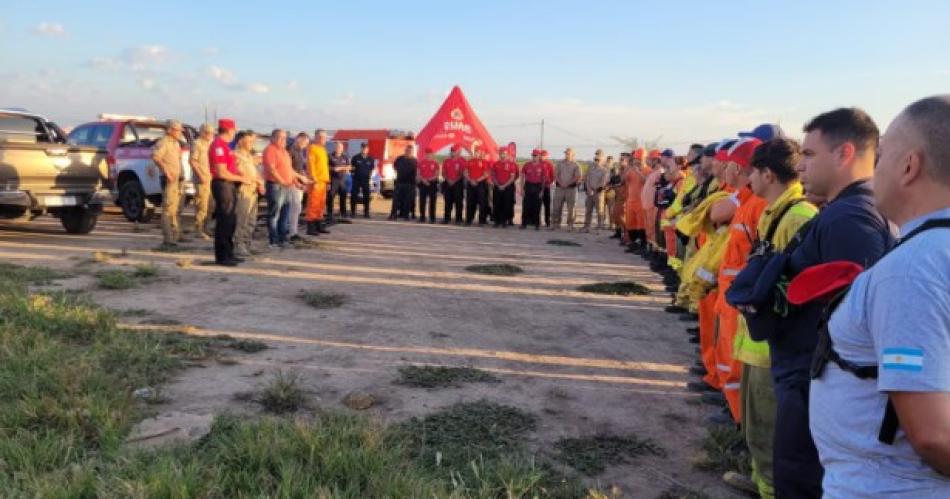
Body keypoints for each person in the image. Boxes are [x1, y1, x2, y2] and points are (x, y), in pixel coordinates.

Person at [747, 108, 892, 498]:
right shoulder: (847, 210)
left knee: (801, 479)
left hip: (816, 379)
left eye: (809, 155)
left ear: (844, 153)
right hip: (811, 375)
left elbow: (855, 317)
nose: (800, 165)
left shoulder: (852, 219)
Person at [810, 95, 950, 497]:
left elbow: (932, 435)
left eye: (883, 154)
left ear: (909, 165)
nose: (873, 171)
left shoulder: (914, 269)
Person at [209, 118, 242, 266]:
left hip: (229, 185)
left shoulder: (225, 146)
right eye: (234, 130)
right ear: (229, 130)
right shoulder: (218, 146)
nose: (235, 133)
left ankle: (229, 252)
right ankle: (222, 256)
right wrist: (242, 178)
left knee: (231, 221)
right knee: (225, 220)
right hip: (223, 185)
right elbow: (221, 172)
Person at [152, 119, 185, 246]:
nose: (179, 133)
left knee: (175, 209)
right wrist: (166, 171)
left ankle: (175, 235)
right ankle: (168, 237)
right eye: (177, 130)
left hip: (177, 179)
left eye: (180, 131)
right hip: (169, 179)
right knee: (168, 209)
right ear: (169, 130)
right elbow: (156, 157)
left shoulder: (176, 143)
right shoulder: (164, 142)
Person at [262, 129, 294, 248]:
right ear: (273, 138)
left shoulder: (284, 152)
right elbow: (272, 169)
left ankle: (283, 238)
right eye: (280, 137)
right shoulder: (270, 150)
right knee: (274, 214)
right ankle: (273, 240)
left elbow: (289, 169)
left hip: (287, 186)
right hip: (276, 186)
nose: (283, 140)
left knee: (285, 214)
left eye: (284, 138)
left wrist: (296, 180)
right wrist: (282, 181)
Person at [233, 130, 263, 257]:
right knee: (242, 219)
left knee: (251, 219)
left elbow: (254, 172)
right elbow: (242, 173)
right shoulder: (236, 155)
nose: (252, 143)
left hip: (253, 189)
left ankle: (247, 243)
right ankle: (238, 245)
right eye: (249, 141)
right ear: (240, 141)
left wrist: (260, 182)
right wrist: (256, 180)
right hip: (244, 189)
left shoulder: (248, 156)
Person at [189, 123, 214, 240]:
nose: (210, 135)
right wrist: (200, 175)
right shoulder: (197, 144)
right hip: (202, 179)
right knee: (202, 205)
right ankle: (198, 229)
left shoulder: (211, 144)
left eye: (212, 133)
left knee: (211, 206)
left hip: (211, 178)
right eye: (208, 133)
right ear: (202, 132)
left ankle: (206, 227)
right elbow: (193, 161)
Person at [305, 129, 331, 235]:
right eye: (322, 137)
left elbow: (324, 167)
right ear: (316, 137)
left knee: (321, 204)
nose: (324, 139)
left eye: (325, 137)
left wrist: (328, 182)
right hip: (316, 181)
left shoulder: (323, 150)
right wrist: (313, 178)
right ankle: (310, 227)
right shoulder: (312, 148)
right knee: (313, 204)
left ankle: (319, 224)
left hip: (323, 180)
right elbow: (311, 165)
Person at [624, 148, 650, 251]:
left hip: (641, 202)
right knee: (631, 223)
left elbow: (646, 181)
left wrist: (638, 171)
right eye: (636, 159)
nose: (638, 161)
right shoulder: (631, 170)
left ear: (644, 159)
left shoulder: (648, 170)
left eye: (640, 159)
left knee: (641, 224)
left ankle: (642, 245)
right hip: (631, 201)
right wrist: (628, 168)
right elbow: (624, 180)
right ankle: (633, 243)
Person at [551, 147, 582, 230]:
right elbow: (556, 175)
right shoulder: (560, 164)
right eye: (566, 153)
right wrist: (561, 183)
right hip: (560, 188)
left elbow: (577, 176)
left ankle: (570, 224)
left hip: (571, 189)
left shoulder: (576, 165)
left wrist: (568, 183)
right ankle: (556, 223)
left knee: (571, 208)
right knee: (556, 206)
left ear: (573, 155)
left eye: (568, 154)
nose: (567, 155)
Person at [287, 132, 310, 240]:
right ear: (299, 139)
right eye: (305, 143)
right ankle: (291, 232)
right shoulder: (290, 150)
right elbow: (288, 168)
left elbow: (300, 168)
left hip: (299, 183)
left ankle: (293, 231)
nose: (305, 145)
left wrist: (304, 180)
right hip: (291, 182)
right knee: (294, 208)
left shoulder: (300, 152)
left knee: (297, 208)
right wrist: (299, 179)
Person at [490, 148, 518, 227]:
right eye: (501, 153)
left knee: (507, 204)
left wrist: (504, 185)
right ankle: (496, 221)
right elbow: (493, 175)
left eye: (504, 154)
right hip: (497, 186)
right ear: (499, 154)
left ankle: (504, 221)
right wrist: (498, 184)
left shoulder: (511, 164)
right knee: (496, 203)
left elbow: (512, 177)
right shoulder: (496, 164)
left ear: (507, 155)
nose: (503, 155)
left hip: (507, 187)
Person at [582, 151, 610, 232]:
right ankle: (587, 226)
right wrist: (589, 189)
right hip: (590, 192)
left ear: (603, 159)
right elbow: (587, 179)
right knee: (588, 210)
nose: (596, 161)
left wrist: (595, 189)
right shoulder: (591, 168)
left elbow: (603, 182)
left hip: (599, 193)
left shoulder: (605, 170)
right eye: (595, 159)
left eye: (598, 159)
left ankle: (599, 227)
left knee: (600, 211)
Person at [520, 149, 546, 229]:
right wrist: (522, 188)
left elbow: (544, 179)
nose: (534, 157)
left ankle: (537, 224)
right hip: (528, 185)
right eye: (533, 156)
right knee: (526, 206)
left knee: (537, 206)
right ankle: (524, 224)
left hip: (537, 186)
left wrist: (542, 190)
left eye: (536, 156)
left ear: (539, 157)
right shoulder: (527, 165)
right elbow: (522, 177)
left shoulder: (542, 166)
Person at [464, 148, 490, 225]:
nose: (476, 154)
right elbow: (465, 173)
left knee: (482, 202)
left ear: (480, 153)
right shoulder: (469, 162)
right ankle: (469, 219)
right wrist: (470, 180)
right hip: (471, 183)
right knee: (470, 202)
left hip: (480, 184)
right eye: (475, 152)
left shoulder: (484, 162)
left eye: (478, 152)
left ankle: (482, 220)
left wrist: (477, 180)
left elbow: (486, 174)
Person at [390, 145, 417, 220]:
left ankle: (406, 216)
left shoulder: (415, 161)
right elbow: (394, 166)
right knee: (395, 200)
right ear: (405, 151)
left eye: (410, 151)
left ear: (412, 152)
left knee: (407, 201)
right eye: (407, 150)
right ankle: (393, 214)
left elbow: (417, 172)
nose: (408, 152)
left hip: (410, 184)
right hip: (399, 183)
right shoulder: (399, 158)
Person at [327, 141, 351, 223]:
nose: (339, 149)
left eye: (340, 148)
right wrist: (333, 169)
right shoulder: (330, 156)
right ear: (335, 148)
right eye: (337, 147)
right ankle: (330, 213)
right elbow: (326, 167)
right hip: (333, 180)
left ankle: (343, 213)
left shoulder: (345, 157)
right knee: (330, 197)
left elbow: (349, 166)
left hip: (342, 180)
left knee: (343, 197)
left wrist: (341, 168)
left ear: (342, 148)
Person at [441, 145, 466, 224]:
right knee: (448, 201)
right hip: (448, 183)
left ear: (458, 152)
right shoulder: (446, 161)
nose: (453, 153)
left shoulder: (461, 161)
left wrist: (454, 180)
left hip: (458, 184)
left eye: (454, 151)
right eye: (452, 151)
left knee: (458, 202)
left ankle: (458, 219)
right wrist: (448, 180)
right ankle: (446, 218)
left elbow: (462, 174)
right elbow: (443, 173)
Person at [350, 142, 375, 218]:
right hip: (356, 180)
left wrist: (371, 179)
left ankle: (366, 213)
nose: (364, 149)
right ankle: (353, 212)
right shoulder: (355, 157)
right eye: (363, 148)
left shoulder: (370, 159)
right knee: (354, 196)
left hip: (366, 180)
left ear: (368, 149)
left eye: (366, 148)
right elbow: (351, 168)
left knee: (366, 196)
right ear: (361, 148)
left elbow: (372, 169)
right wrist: (353, 174)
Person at [417, 148, 439, 223]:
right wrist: (424, 180)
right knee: (422, 201)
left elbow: (436, 174)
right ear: (425, 154)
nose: (428, 155)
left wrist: (429, 180)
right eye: (427, 154)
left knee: (432, 201)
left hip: (432, 184)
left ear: (432, 154)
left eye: (430, 154)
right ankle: (422, 217)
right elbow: (418, 173)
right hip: (423, 183)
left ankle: (432, 218)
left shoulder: (435, 163)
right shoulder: (421, 162)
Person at [540, 150, 555, 227]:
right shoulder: (537, 163)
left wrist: (548, 182)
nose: (542, 157)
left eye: (544, 155)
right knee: (537, 205)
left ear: (547, 156)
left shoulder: (549, 164)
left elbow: (552, 176)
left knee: (547, 205)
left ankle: (547, 221)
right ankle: (536, 220)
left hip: (546, 187)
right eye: (541, 155)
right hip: (538, 187)